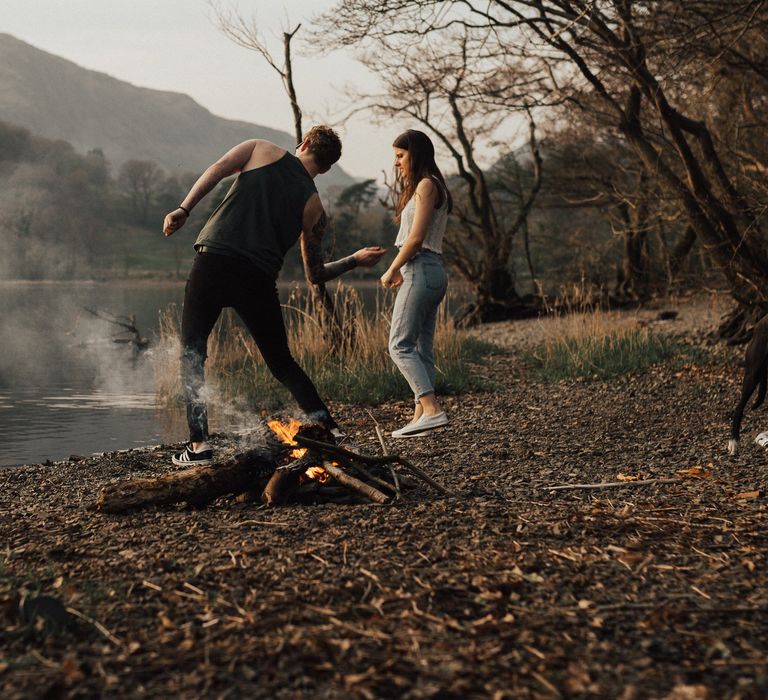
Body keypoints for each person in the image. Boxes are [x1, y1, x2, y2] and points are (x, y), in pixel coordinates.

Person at [163, 126, 386, 465]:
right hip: (258, 278)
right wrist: (355, 260)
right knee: (282, 363)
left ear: (306, 143)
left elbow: (217, 170)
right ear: (325, 167)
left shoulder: (260, 148)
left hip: (214, 261)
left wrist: (184, 209)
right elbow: (316, 274)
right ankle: (333, 432)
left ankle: (199, 447)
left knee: (192, 354)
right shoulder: (314, 207)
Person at [380, 129, 452, 438]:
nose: (397, 163)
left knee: (399, 345)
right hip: (433, 270)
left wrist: (391, 269)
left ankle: (432, 409)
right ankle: (421, 415)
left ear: (416, 154)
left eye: (400, 156)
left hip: (420, 268)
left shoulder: (426, 185)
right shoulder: (435, 186)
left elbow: (416, 238)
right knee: (421, 348)